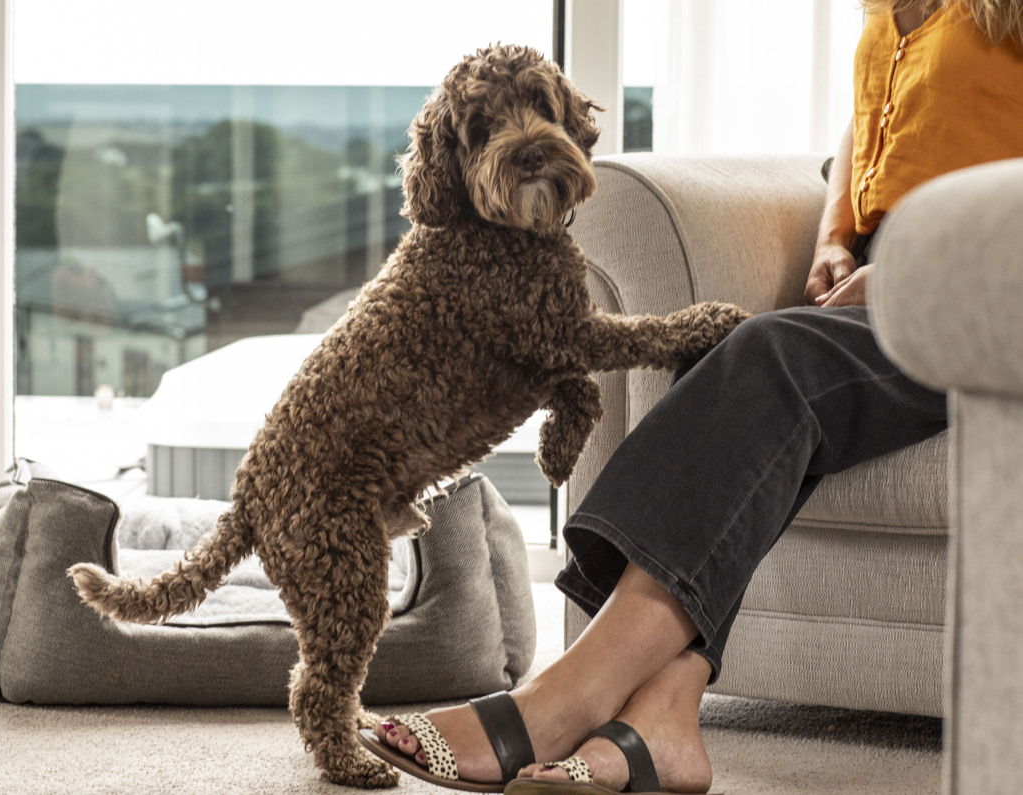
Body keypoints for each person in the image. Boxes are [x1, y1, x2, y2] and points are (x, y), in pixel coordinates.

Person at [368, 1, 1023, 792]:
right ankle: (663, 721)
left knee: (772, 355)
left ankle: (558, 697)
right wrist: (835, 237)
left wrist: (923, 260)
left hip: (992, 283)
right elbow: (865, 129)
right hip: (888, 278)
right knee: (720, 353)